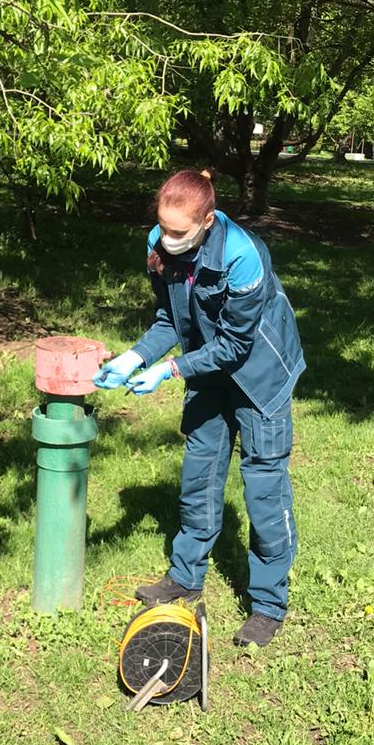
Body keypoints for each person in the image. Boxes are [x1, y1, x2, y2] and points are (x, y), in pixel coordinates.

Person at [93, 169, 305, 647]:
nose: (167, 240)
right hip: (205, 371)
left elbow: (234, 345)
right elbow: (171, 316)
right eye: (162, 228)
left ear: (208, 221)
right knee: (200, 473)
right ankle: (186, 575)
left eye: (179, 232)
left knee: (264, 492)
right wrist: (135, 356)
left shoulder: (243, 256)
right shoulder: (161, 244)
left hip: (260, 376)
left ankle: (268, 605)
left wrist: (169, 371)